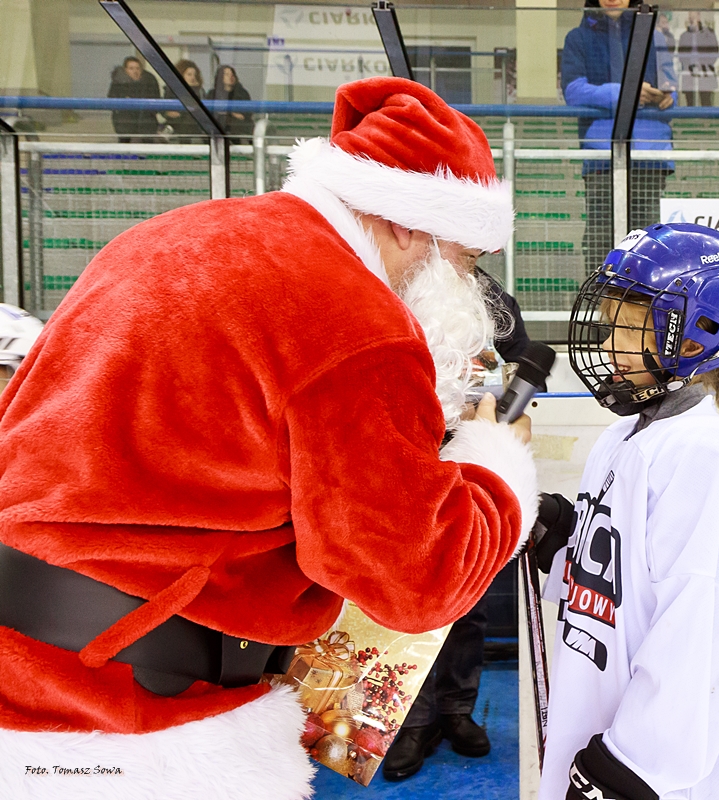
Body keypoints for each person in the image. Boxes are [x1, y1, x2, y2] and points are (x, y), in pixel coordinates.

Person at [0, 77, 539, 800]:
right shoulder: (356, 318)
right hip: (137, 713)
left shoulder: (167, 235)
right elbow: (420, 579)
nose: (467, 290)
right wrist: (497, 467)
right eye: (466, 262)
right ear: (408, 222)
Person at [532, 223, 719, 800]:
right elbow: (625, 584)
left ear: (694, 339)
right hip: (597, 724)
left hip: (666, 777)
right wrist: (565, 541)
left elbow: (705, 634)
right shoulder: (623, 437)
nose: (605, 342)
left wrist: (625, 773)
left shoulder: (717, 454)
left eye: (625, 326)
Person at [381, 264, 529, 781]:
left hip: (471, 467)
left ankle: (457, 710)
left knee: (470, 603)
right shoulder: (389, 288)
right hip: (404, 470)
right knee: (409, 602)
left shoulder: (496, 302)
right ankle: (411, 720)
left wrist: (514, 423)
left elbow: (519, 380)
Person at [562, 0, 677, 273]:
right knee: (602, 241)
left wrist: (667, 96)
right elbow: (573, 91)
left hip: (648, 154)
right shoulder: (578, 37)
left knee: (649, 244)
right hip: (603, 154)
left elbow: (671, 89)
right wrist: (627, 92)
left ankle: (646, 307)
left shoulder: (654, 36)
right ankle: (600, 307)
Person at [107, 56, 161, 143]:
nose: (135, 71)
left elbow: (157, 100)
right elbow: (111, 101)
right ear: (125, 70)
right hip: (124, 125)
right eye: (131, 68)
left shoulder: (150, 81)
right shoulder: (118, 83)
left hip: (147, 125)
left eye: (137, 68)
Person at [678, 11, 719, 107]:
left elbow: (715, 51)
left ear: (699, 17)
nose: (691, 20)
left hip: (705, 71)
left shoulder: (709, 33)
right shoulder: (684, 36)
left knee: (706, 101)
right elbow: (681, 55)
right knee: (690, 101)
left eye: (693, 17)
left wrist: (705, 64)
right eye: (690, 18)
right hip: (689, 72)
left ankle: (707, 121)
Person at [208, 65, 254, 144]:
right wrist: (231, 113)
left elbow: (245, 115)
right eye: (227, 75)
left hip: (238, 127)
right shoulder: (213, 94)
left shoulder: (242, 93)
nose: (231, 77)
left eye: (232, 75)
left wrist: (227, 112)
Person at [164, 59, 206, 143]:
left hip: (195, 129)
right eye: (189, 74)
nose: (193, 77)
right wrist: (167, 112)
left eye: (195, 75)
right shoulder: (171, 90)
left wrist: (194, 90)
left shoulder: (200, 91)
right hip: (176, 127)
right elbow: (164, 108)